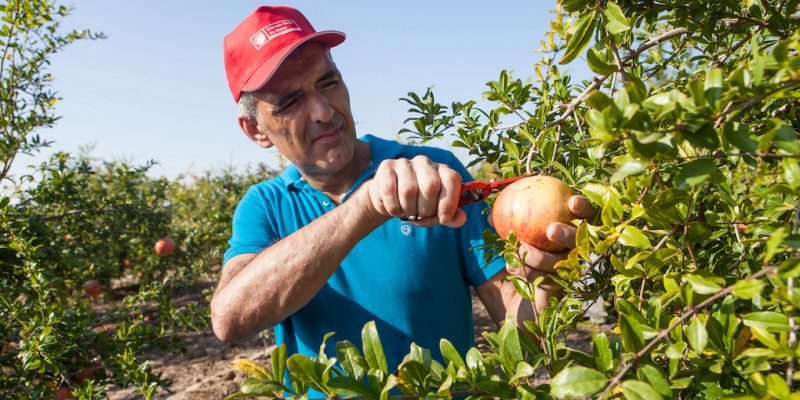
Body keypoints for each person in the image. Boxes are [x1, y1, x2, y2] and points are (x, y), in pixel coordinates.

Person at [210, 4, 593, 391]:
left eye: (328, 83)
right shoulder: (266, 205)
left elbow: (523, 336)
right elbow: (229, 319)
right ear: (255, 130)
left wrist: (544, 284)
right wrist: (366, 207)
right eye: (290, 102)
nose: (324, 111)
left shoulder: (437, 175)